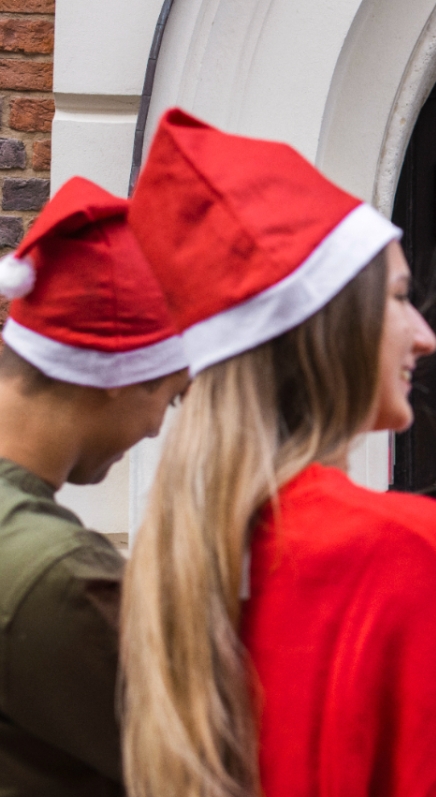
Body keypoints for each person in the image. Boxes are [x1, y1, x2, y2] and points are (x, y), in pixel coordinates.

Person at [119, 107, 436, 797]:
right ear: (330, 332)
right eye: (398, 297)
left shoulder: (179, 552)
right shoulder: (415, 549)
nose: (424, 336)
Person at [0, 177, 190, 795]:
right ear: (117, 374)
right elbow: (202, 770)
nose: (160, 423)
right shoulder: (58, 575)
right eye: (170, 393)